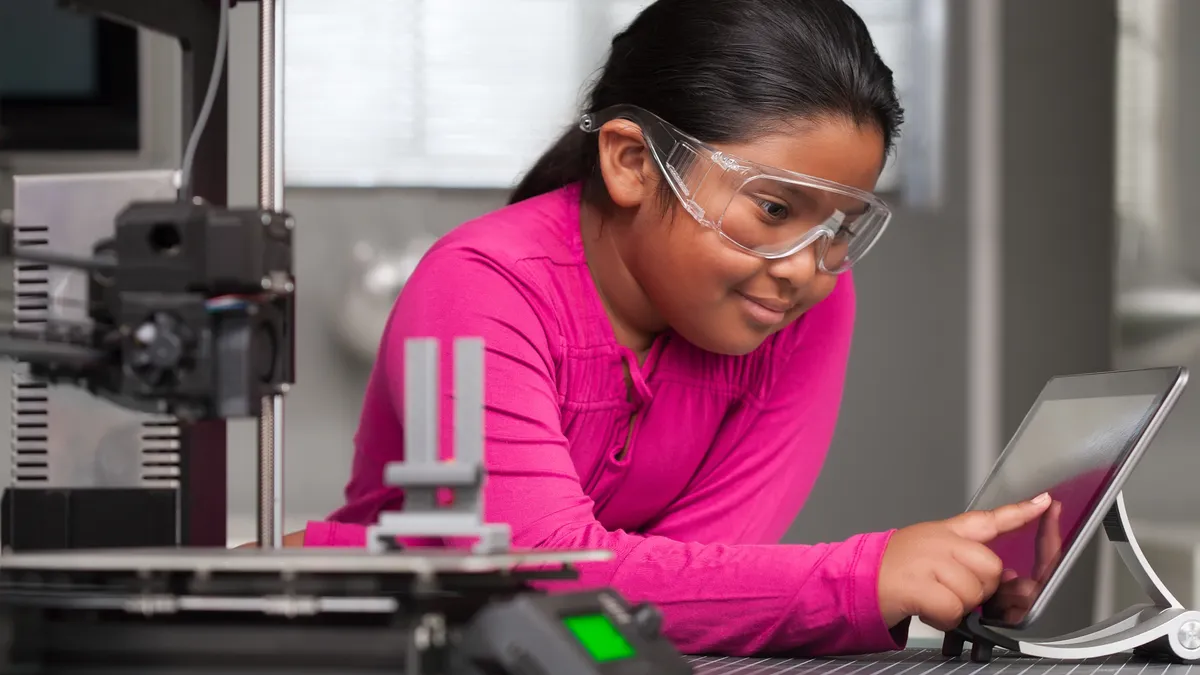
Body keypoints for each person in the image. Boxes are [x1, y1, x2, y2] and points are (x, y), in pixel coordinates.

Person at [287, 0, 1055, 658]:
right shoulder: (481, 286)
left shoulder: (805, 306)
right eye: (776, 210)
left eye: (841, 227)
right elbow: (537, 573)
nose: (806, 267)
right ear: (632, 162)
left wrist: (933, 579)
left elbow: (700, 586)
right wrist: (862, 578)